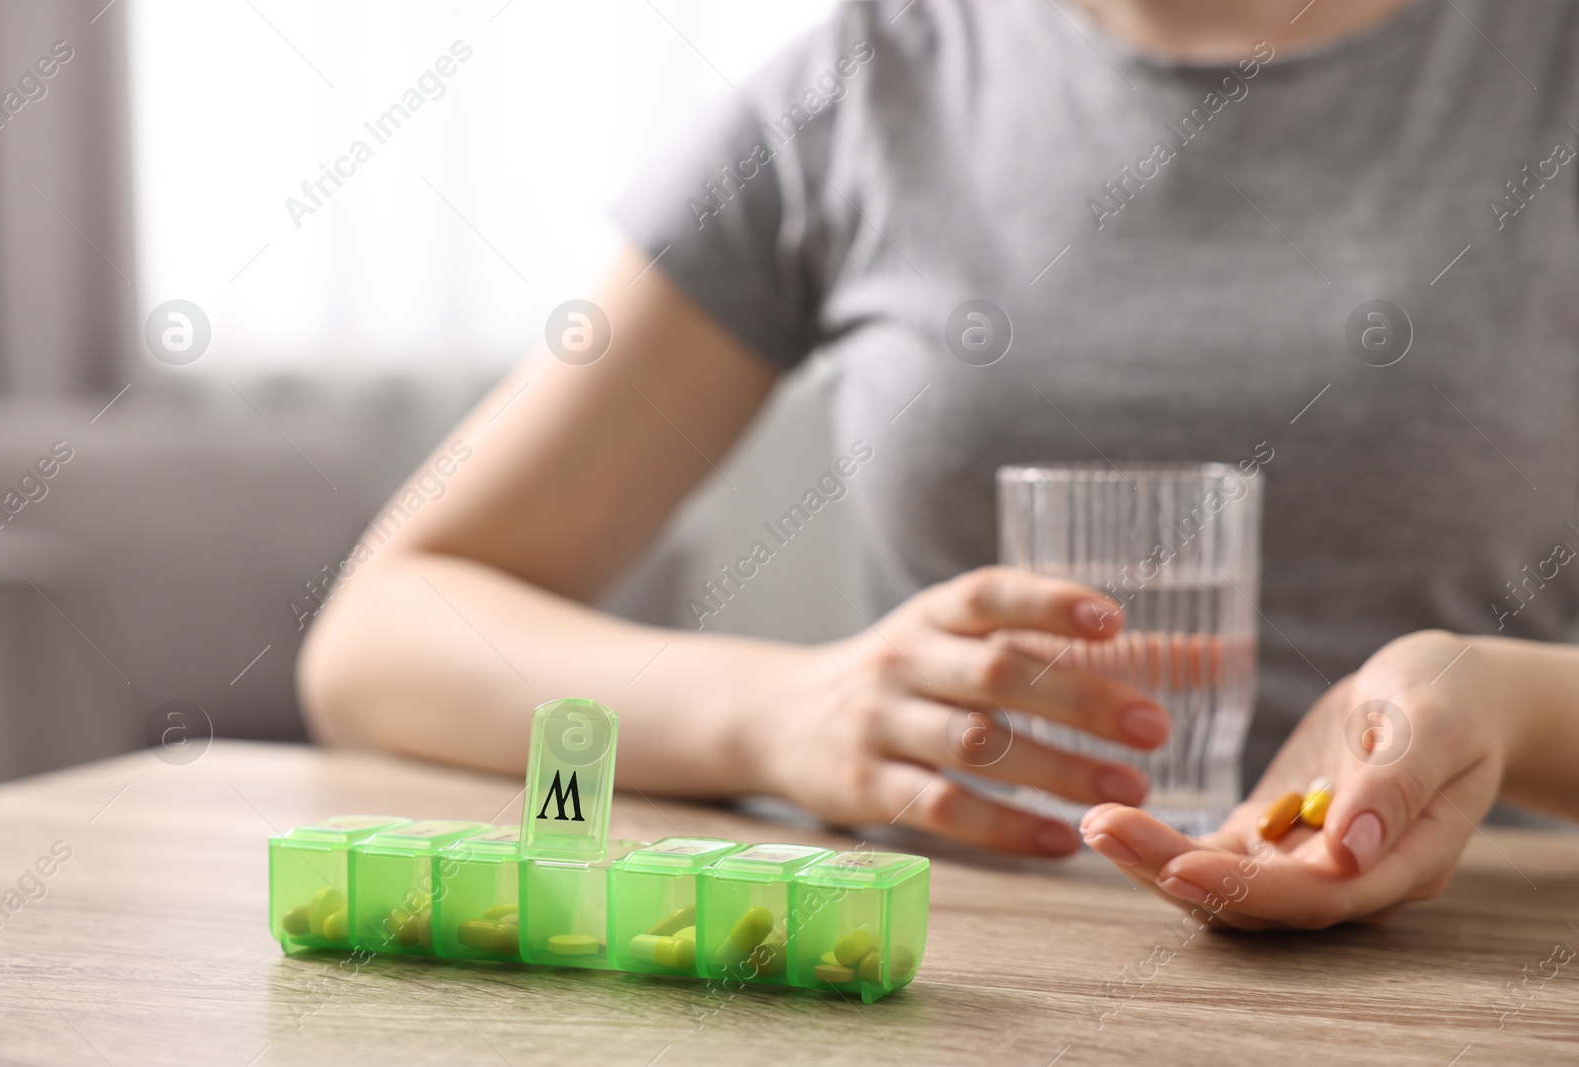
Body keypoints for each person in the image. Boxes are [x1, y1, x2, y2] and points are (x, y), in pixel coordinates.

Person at [297, 0, 1579, 929]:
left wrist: (1508, 710)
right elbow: (380, 640)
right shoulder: (864, 86)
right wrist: (779, 711)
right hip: (943, 974)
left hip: (1468, 971)